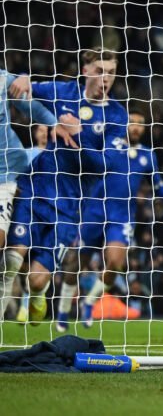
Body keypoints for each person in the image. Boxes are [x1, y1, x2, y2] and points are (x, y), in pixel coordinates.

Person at [2, 48, 120, 326]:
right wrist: (24, 77)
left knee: (36, 279)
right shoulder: (65, 91)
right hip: (36, 187)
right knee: (11, 261)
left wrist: (81, 137)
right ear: (86, 71)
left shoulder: (116, 116)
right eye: (100, 71)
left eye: (112, 73)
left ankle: (38, 294)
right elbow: (27, 87)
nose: (106, 78)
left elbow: (104, 165)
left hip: (69, 205)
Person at [71, 110, 163, 328]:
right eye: (133, 123)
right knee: (76, 262)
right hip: (95, 209)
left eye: (141, 124)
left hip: (122, 215)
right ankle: (63, 307)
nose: (137, 127)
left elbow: (158, 187)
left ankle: (89, 302)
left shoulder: (148, 155)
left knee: (116, 263)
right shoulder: (109, 143)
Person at [0, 72, 77, 317]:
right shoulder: (31, 155)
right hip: (30, 197)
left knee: (23, 269)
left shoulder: (2, 78)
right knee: (11, 260)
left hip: (11, 177)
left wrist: (55, 124)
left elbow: (27, 102)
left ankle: (32, 295)